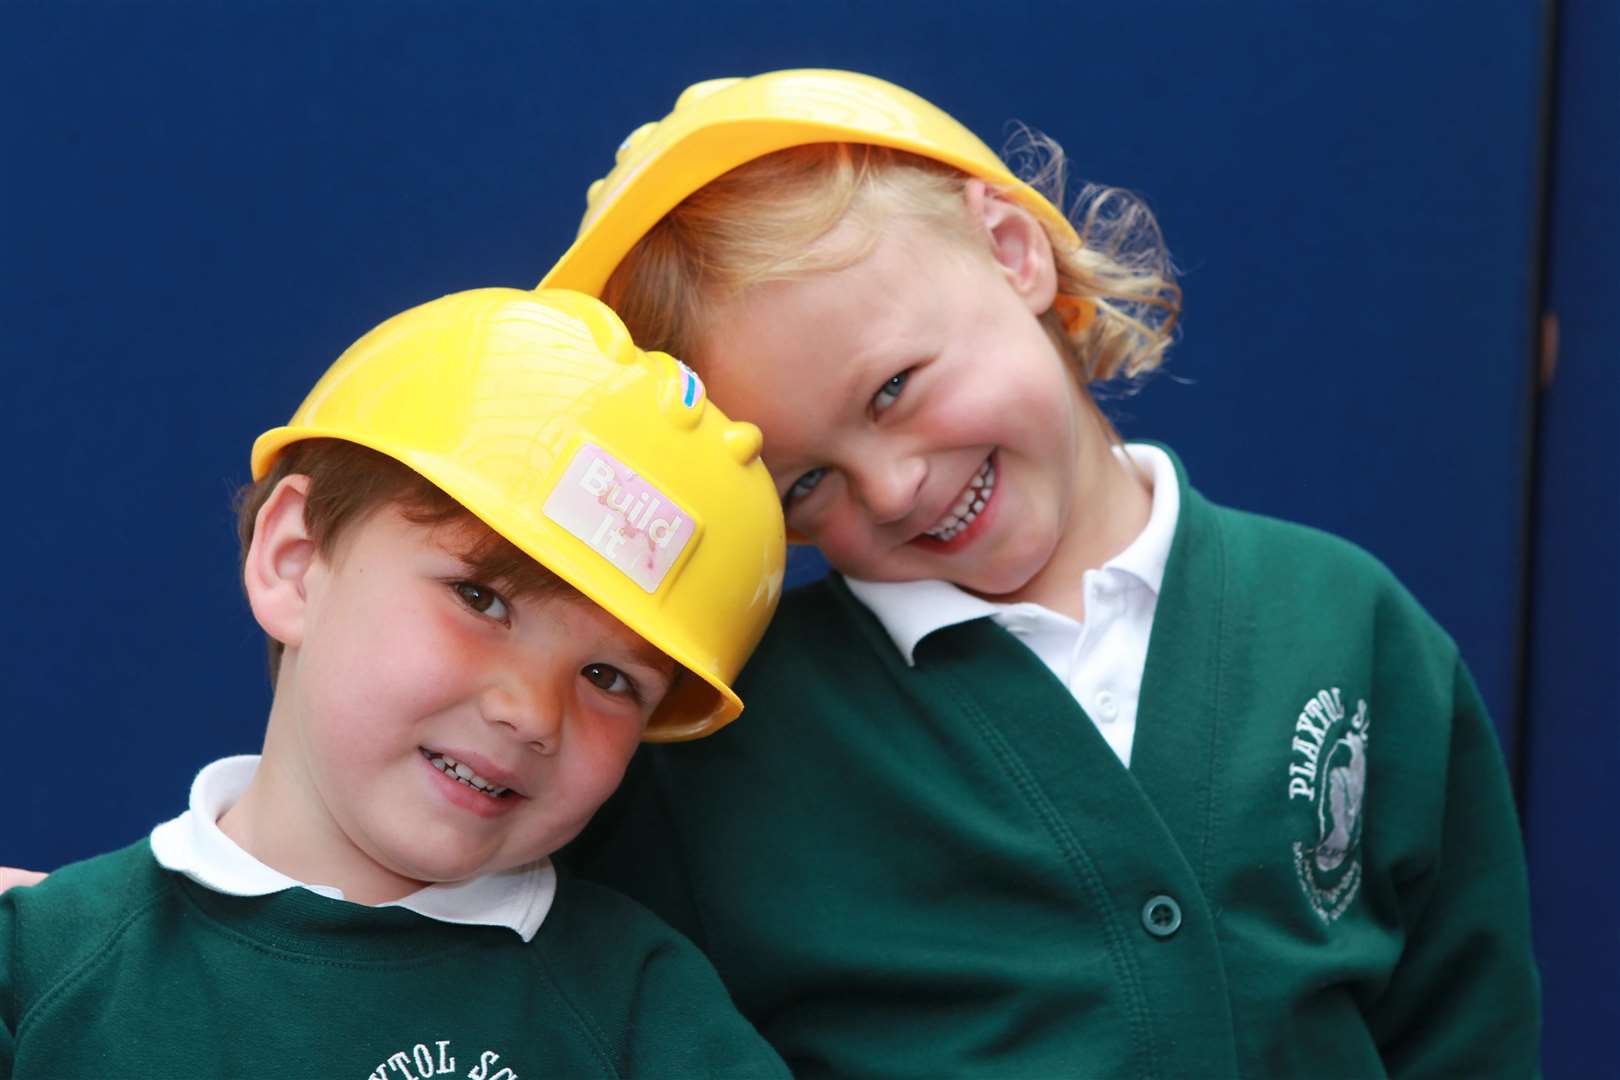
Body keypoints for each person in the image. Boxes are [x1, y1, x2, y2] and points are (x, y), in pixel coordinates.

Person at [541, 70, 1541, 1077]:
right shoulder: (723, 748)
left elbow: (1470, 1022)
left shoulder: (1346, 623)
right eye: (805, 485)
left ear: (1011, 251)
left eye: (893, 389)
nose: (889, 491)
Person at [0, 287, 790, 1079]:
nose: (531, 713)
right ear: (296, 563)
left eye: (609, 678)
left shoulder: (642, 1005)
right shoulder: (36, 963)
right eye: (481, 599)